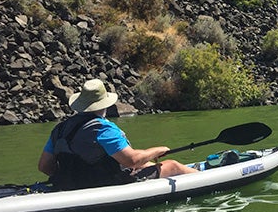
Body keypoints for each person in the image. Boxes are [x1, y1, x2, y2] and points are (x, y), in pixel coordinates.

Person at [38, 78, 198, 190]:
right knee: (172, 165)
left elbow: (44, 166)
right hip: (106, 183)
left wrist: (73, 176)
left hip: (68, 184)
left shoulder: (60, 129)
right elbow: (132, 160)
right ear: (105, 104)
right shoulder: (104, 129)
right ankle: (207, 177)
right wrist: (157, 150)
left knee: (147, 165)